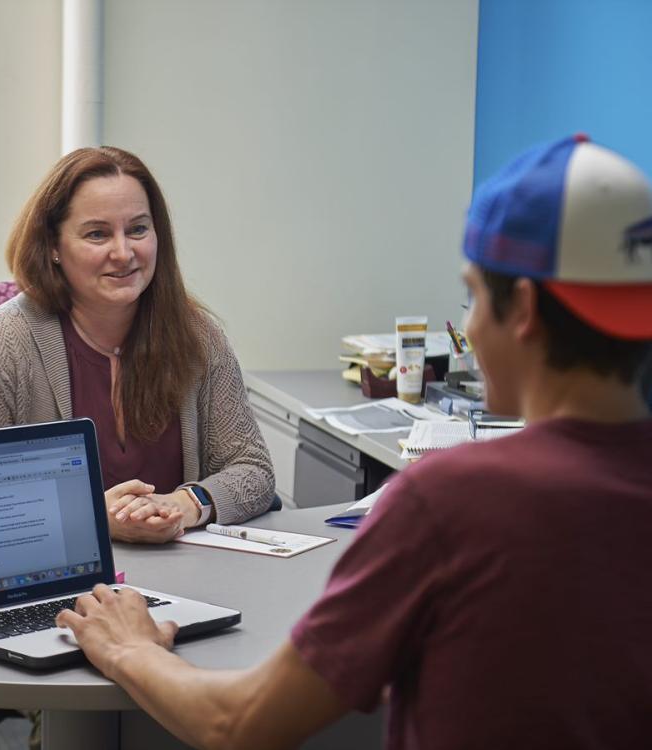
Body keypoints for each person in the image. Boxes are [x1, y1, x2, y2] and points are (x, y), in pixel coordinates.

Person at [54, 134, 652, 749]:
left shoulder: (452, 502)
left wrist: (128, 648)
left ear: (522, 308)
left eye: (471, 296)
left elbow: (236, 723)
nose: (468, 325)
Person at [0, 146, 275, 543]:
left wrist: (185, 504)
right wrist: (90, 517)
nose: (124, 253)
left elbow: (253, 469)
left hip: (186, 572)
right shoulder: (6, 338)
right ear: (52, 246)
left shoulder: (198, 335)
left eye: (137, 229)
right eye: (97, 234)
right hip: (57, 576)